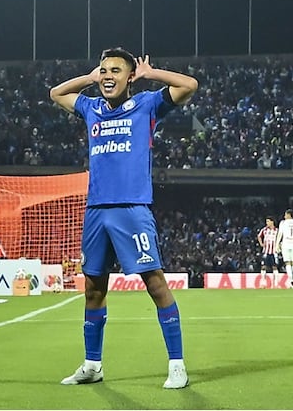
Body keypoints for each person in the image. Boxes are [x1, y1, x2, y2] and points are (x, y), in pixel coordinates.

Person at [50, 48, 198, 389]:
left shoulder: (147, 104)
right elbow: (56, 93)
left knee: (155, 284)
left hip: (132, 209)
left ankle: (177, 365)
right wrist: (87, 78)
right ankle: (92, 364)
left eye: (116, 70)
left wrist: (152, 72)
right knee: (92, 289)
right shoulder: (91, 108)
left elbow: (189, 84)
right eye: (103, 70)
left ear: (130, 77)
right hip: (96, 211)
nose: (107, 76)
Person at [257, 217, 281, 288]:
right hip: (265, 252)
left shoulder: (277, 230)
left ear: (272, 222)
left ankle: (276, 284)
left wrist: (279, 246)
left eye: (268, 221)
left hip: (274, 252)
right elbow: (259, 236)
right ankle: (263, 284)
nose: (266, 223)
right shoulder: (264, 230)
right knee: (263, 267)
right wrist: (261, 244)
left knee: (275, 267)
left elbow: (281, 238)